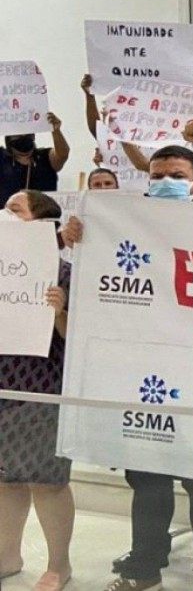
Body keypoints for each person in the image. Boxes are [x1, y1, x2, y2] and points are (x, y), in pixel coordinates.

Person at [63, 128, 193, 591]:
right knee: (148, 480)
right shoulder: (131, 227)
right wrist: (79, 237)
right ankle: (145, 568)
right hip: (146, 378)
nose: (164, 182)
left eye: (176, 175)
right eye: (156, 176)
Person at [0, 190, 74, 591]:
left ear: (40, 223)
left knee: (46, 479)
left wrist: (60, 310)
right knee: (6, 479)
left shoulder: (63, 272)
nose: (3, 215)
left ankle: (58, 565)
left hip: (42, 388)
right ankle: (7, 555)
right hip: (1, 387)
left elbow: (75, 340)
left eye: (14, 209)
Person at [0, 114, 69, 205]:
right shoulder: (2, 158)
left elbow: (62, 154)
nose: (23, 136)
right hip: (6, 217)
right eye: (18, 134)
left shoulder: (45, 157)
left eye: (27, 133)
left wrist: (56, 130)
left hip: (43, 216)